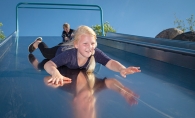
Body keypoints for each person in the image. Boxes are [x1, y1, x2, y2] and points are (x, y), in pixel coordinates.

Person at [28, 25, 141, 85]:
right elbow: (49, 64)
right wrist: (55, 73)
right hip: (60, 49)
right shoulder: (69, 54)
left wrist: (122, 69)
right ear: (76, 44)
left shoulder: (94, 52)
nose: (90, 47)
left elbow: (110, 62)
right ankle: (38, 42)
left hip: (68, 45)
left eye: (92, 43)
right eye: (85, 43)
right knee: (46, 53)